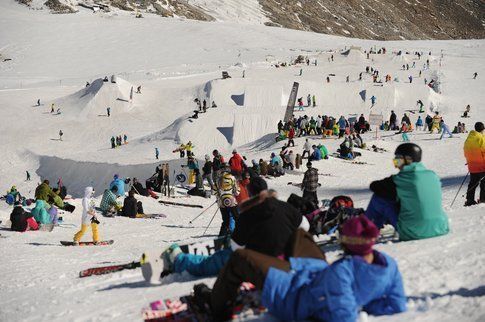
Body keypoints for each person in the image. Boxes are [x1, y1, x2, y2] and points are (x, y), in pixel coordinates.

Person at [193, 215, 406, 321]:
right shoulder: (388, 265)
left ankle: (215, 307)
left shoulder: (343, 272)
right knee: (299, 235)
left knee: (240, 257)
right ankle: (276, 256)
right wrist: (365, 303)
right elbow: (397, 304)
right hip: (311, 274)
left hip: (291, 295)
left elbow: (344, 316)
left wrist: (354, 306)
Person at [141, 178, 308, 282]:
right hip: (287, 258)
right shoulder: (285, 207)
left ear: (250, 194)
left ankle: (178, 260)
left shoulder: (248, 215)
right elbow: (305, 226)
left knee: (216, 261)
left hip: (260, 262)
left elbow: (237, 248)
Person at [365, 143, 449, 240]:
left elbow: (374, 186)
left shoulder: (400, 179)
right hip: (441, 227)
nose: (396, 162)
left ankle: (366, 230)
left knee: (379, 198)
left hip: (413, 231)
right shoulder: (433, 175)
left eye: (398, 159)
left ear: (408, 159)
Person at [463, 122, 485, 206]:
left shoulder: (469, 138)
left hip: (472, 165)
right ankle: (483, 200)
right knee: (484, 183)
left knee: (473, 182)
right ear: (482, 129)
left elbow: (465, 152)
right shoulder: (481, 138)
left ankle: (469, 200)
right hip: (481, 165)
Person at [217, 166, 240, 236]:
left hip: (221, 201)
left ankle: (221, 237)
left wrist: (219, 197)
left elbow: (214, 191)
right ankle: (240, 234)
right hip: (231, 200)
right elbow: (237, 191)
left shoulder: (218, 179)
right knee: (237, 218)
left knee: (225, 221)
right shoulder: (232, 178)